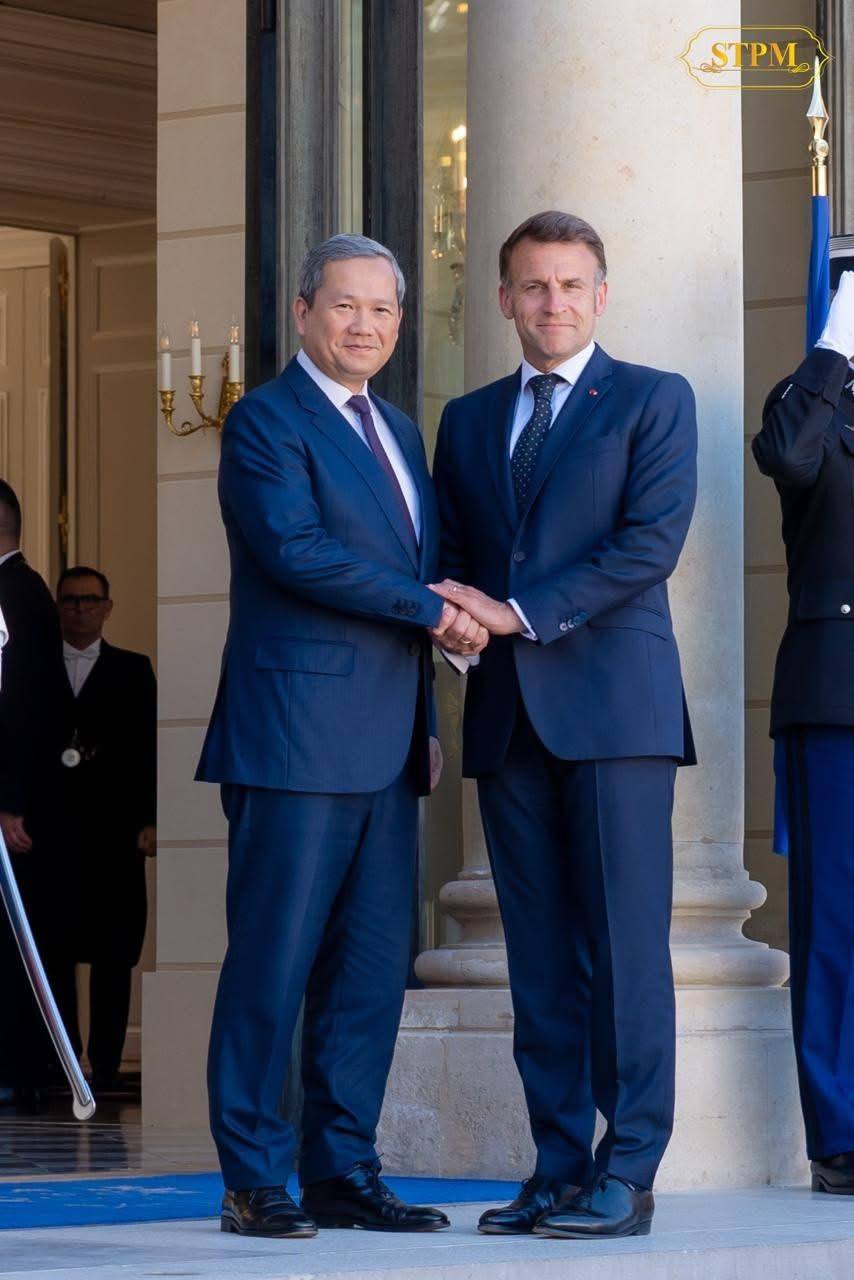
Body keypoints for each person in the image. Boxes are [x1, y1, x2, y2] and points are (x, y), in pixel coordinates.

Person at [196, 234, 484, 1239]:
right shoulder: (264, 420)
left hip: (388, 745)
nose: (365, 325)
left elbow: (415, 565)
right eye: (345, 306)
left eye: (383, 310)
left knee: (367, 974)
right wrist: (433, 610)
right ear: (303, 311)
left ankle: (340, 1168)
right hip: (292, 737)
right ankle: (253, 1175)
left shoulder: (399, 430)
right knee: (272, 966)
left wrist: (426, 716)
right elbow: (298, 551)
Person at [430, 211, 697, 1239]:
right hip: (507, 717)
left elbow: (648, 544)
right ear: (503, 298)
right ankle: (554, 1166)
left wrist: (515, 613)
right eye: (534, 286)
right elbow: (452, 553)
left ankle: (627, 1171)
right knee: (539, 960)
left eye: (572, 284)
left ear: (600, 295)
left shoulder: (652, 398)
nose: (553, 303)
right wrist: (458, 618)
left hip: (616, 714)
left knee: (626, 952)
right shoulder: (466, 419)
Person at [751, 270, 854, 1196]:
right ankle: (843, 1136)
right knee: (837, 922)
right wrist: (836, 346)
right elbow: (787, 459)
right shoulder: (812, 400)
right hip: (837, 696)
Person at [56, 565, 156, 1093]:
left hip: (116, 833)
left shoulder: (133, 670)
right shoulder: (34, 666)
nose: (81, 609)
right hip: (52, 835)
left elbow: (149, 748)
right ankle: (63, 1065)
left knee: (115, 954)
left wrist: (151, 819)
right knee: (55, 953)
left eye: (90, 600)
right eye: (71, 600)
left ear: (107, 607)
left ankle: (108, 1066)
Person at [0, 480, 76, 1108]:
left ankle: (18, 1068)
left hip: (15, 805)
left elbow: (19, 705)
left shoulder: (14, 594)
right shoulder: (24, 590)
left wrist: (10, 801)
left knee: (15, 940)